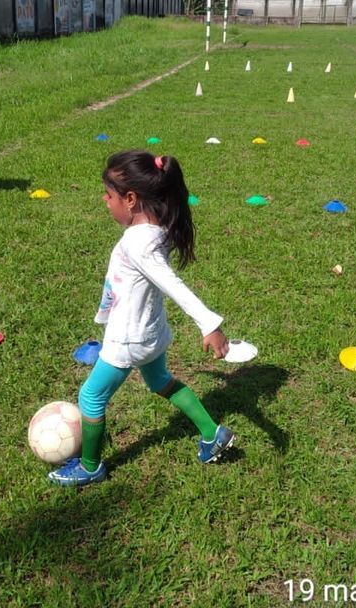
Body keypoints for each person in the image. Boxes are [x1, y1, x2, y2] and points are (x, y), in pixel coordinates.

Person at [48, 150, 233, 488]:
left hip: (128, 339)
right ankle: (212, 433)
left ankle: (90, 467)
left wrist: (210, 324)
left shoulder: (138, 243)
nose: (105, 201)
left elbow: (173, 285)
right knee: (161, 382)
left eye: (109, 195)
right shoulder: (157, 229)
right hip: (151, 333)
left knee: (90, 397)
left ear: (131, 199)